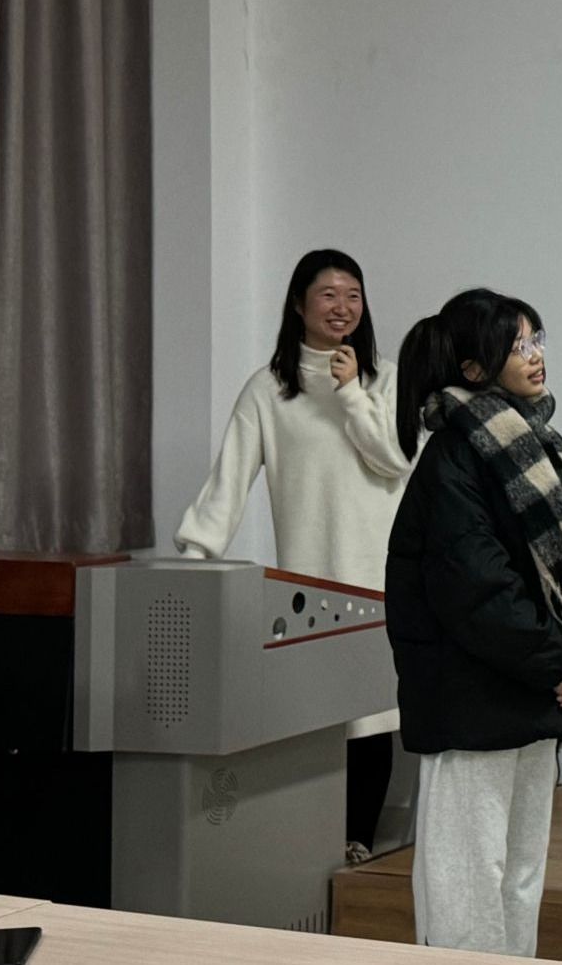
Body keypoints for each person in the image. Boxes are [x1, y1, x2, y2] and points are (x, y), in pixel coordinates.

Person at [386, 289, 562, 958]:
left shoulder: (537, 445)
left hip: (530, 697)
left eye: (536, 339)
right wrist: (560, 669)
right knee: (467, 885)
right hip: (473, 705)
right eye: (518, 346)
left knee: (520, 881)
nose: (535, 355)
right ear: (472, 369)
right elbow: (479, 591)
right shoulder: (455, 457)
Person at [175, 248, 410, 861]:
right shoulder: (268, 388)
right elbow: (229, 479)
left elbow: (394, 459)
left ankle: (358, 840)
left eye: (353, 295)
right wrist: (195, 556)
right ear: (300, 305)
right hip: (308, 586)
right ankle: (313, 846)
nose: (342, 307)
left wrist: (351, 392)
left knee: (371, 716)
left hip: (380, 578)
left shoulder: (384, 378)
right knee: (315, 717)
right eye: (328, 294)